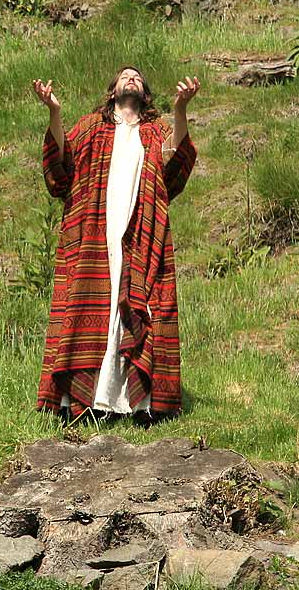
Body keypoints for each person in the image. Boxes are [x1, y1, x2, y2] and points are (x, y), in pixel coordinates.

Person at [30, 66, 200, 424]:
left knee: (138, 309)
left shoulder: (154, 132)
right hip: (96, 234)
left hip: (140, 237)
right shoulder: (93, 127)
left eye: (138, 77)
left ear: (145, 94)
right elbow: (62, 164)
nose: (132, 78)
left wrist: (181, 109)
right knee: (92, 310)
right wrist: (54, 112)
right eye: (125, 75)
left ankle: (137, 406)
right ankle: (86, 401)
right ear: (113, 91)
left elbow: (176, 161)